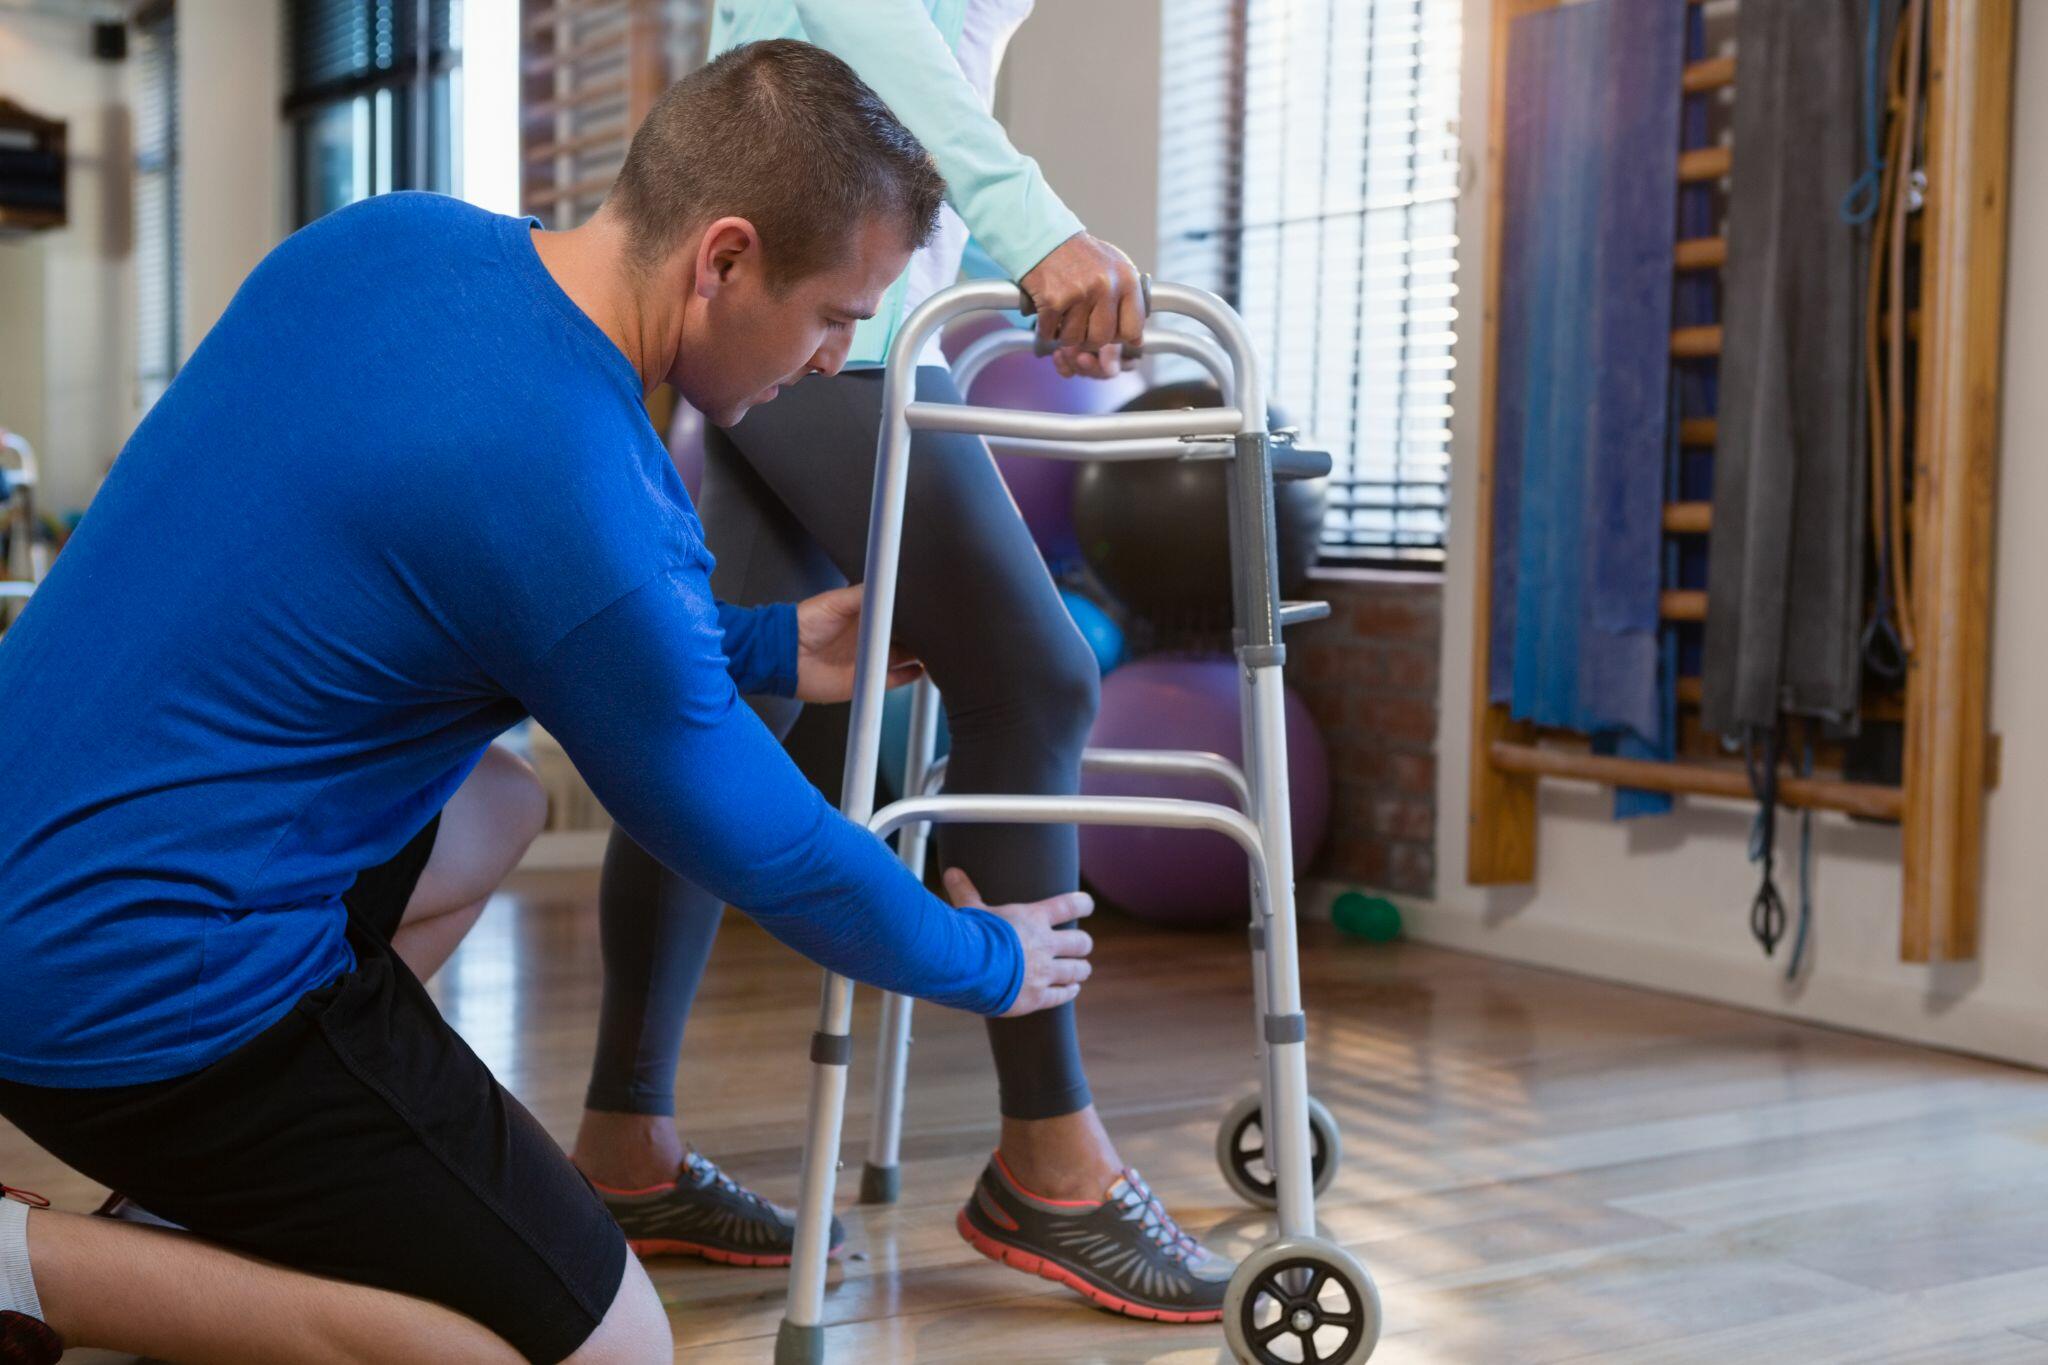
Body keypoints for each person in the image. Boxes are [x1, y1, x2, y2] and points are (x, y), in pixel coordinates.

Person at [0, 41, 1096, 1365]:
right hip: (141, 986)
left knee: (499, 800)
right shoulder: (587, 486)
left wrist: (763, 642)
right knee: (610, 1348)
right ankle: (33, 1260)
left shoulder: (390, 242)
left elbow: (486, 587)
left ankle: (215, 1190)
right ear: (725, 259)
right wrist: (993, 962)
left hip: (42, 878)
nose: (834, 359)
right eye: (832, 313)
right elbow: (775, 854)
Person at [567, 0, 1237, 1324]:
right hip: (832, 319)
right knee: (1037, 676)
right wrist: (1033, 228)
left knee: (722, 704)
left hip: (847, 304)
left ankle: (624, 1147)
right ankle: (1050, 1158)